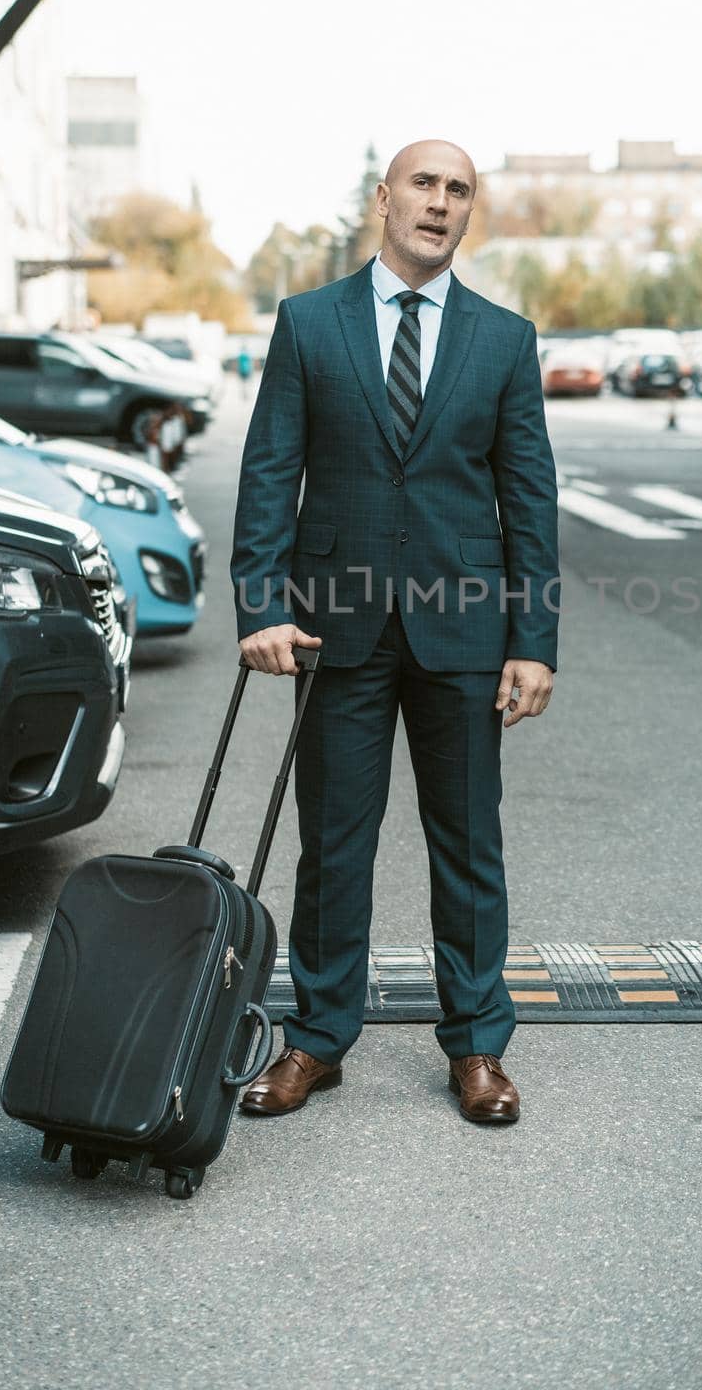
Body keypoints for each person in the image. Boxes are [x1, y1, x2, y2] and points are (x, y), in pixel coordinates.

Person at [230, 139, 559, 1126]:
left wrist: (532, 637)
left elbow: (528, 496)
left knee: (467, 844)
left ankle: (476, 1047)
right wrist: (261, 608)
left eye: (458, 191)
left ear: (467, 214)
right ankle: (317, 1039)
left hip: (464, 628)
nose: (439, 202)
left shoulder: (502, 339)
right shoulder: (307, 323)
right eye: (423, 183)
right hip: (336, 629)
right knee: (332, 843)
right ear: (384, 199)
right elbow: (265, 473)